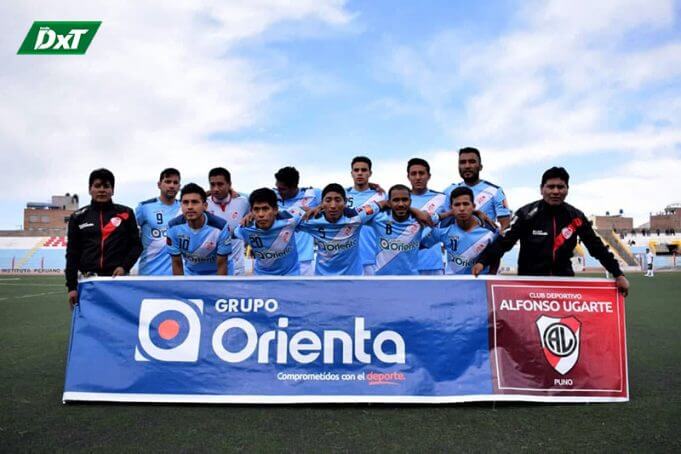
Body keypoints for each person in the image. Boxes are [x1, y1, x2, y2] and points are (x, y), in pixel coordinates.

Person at [472, 167, 630, 296]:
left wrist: (618, 273)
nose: (556, 191)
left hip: (564, 286)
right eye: (551, 186)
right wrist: (482, 261)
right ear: (541, 189)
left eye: (560, 187)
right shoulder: (525, 214)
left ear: (567, 190)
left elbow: (596, 247)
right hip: (530, 287)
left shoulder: (576, 216)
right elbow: (504, 242)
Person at [65, 168, 142, 310]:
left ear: (113, 190)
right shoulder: (77, 217)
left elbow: (136, 245)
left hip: (117, 282)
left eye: (106, 186)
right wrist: (71, 287)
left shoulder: (126, 213)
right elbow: (72, 254)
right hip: (88, 283)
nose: (102, 190)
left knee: (119, 324)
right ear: (90, 189)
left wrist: (124, 267)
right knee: (89, 326)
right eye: (97, 186)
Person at [298, 184, 381, 275]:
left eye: (338, 200)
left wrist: (371, 186)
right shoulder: (310, 220)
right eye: (328, 200)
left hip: (354, 278)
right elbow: (289, 215)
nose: (333, 205)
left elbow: (381, 204)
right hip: (322, 279)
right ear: (322, 203)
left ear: (345, 202)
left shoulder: (358, 216)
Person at [422, 186, 498, 275]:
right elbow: (418, 242)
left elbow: (496, 257)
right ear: (451, 208)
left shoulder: (490, 230)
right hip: (452, 283)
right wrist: (442, 216)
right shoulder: (443, 227)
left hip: (479, 283)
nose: (461, 208)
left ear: (473, 206)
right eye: (457, 205)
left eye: (466, 204)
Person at [365, 184, 435, 275]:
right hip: (382, 279)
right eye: (396, 200)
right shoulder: (378, 219)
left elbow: (439, 219)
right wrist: (382, 203)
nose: (401, 204)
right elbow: (358, 215)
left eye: (404, 200)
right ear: (389, 202)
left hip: (411, 279)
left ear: (410, 201)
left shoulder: (419, 219)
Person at [166, 183, 231, 275]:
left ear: (205, 206)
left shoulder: (221, 227)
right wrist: (179, 288)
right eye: (185, 202)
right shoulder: (173, 227)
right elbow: (176, 262)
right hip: (192, 273)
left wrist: (218, 288)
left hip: (217, 273)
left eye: (195, 202)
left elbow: (222, 264)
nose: (189, 207)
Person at [235, 188, 302, 276]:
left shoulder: (291, 221)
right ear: (251, 211)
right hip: (261, 277)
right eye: (256, 209)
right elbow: (227, 234)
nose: (261, 214)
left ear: (275, 210)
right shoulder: (244, 228)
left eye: (265, 209)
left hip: (290, 276)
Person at [444, 147, 511, 232]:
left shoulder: (496, 191)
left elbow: (505, 225)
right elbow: (441, 220)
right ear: (458, 167)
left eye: (472, 162)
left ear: (480, 166)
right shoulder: (448, 191)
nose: (467, 166)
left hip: (486, 243)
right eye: (463, 162)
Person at [274, 167, 321, 275]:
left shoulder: (312, 195)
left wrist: (319, 207)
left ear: (294, 187)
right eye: (278, 188)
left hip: (303, 261)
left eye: (282, 189)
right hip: (278, 260)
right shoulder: (271, 196)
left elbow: (341, 197)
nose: (279, 191)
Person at [135, 168, 181, 275]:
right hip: (149, 274)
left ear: (179, 187)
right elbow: (129, 234)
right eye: (168, 181)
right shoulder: (144, 207)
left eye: (175, 182)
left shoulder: (184, 207)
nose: (171, 185)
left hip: (178, 275)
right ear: (159, 184)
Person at [346, 156, 387, 275]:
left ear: (370, 173)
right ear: (351, 173)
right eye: (356, 170)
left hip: (373, 258)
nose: (360, 173)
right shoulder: (342, 195)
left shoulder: (381, 195)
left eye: (364, 170)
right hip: (348, 259)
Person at [407, 158, 448, 275]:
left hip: (433, 263)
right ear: (408, 177)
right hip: (406, 264)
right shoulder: (400, 201)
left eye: (421, 173)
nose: (418, 177)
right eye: (413, 174)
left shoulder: (442, 199)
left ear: (428, 176)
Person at [206, 167, 250, 275]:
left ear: (229, 184)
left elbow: (258, 206)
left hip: (237, 268)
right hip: (211, 268)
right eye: (212, 185)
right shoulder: (203, 204)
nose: (216, 189)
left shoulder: (243, 202)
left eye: (220, 184)